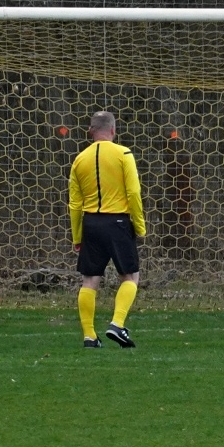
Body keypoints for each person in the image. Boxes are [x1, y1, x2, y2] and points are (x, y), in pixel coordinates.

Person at [68, 110, 146, 349]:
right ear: (113, 130)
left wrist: (77, 235)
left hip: (91, 223)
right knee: (130, 276)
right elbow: (133, 192)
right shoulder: (124, 154)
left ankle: (89, 336)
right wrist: (139, 225)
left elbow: (74, 203)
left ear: (90, 131)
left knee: (89, 280)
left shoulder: (79, 159)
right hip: (118, 222)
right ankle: (117, 324)